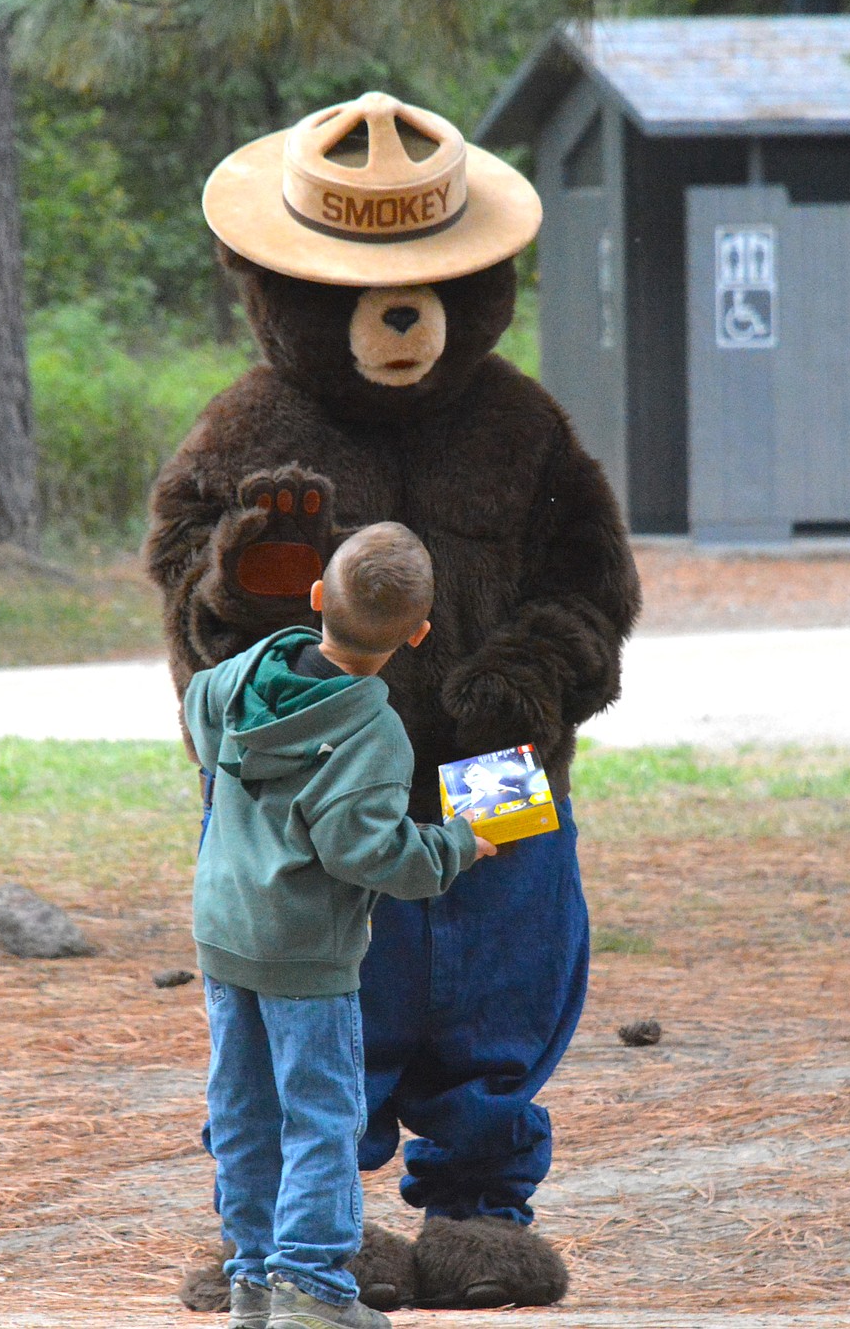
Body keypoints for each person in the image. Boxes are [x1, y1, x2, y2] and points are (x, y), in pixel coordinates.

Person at [183, 521, 496, 1329]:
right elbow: (366, 850)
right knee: (320, 1119)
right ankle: (314, 1290)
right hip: (307, 954)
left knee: (245, 1111)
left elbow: (199, 708)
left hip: (225, 929)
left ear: (318, 597)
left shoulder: (243, 674)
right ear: (419, 634)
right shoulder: (371, 731)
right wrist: (459, 843)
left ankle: (251, 1281)